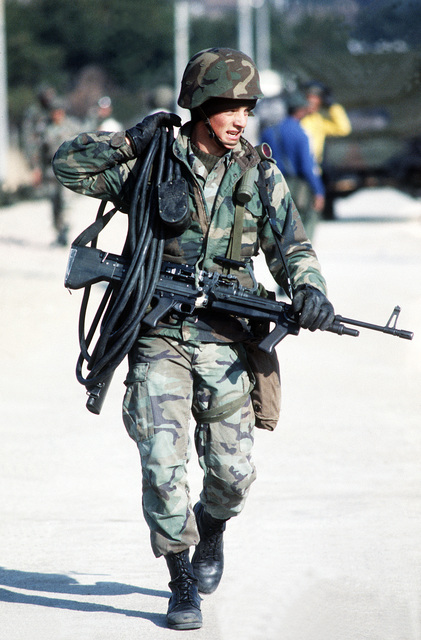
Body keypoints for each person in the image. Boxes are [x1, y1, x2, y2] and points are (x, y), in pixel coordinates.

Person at [52, 48, 335, 630]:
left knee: (231, 478)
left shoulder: (257, 171)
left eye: (247, 108)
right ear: (202, 106)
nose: (240, 119)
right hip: (158, 335)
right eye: (231, 106)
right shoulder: (156, 160)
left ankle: (212, 532)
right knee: (161, 460)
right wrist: (130, 140)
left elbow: (294, 248)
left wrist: (309, 290)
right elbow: (67, 167)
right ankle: (180, 579)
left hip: (228, 339)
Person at [260, 90, 325, 240]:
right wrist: (318, 191)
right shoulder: (300, 133)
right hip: (296, 185)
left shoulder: (269, 131)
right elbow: (307, 167)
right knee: (303, 222)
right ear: (301, 111)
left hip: (272, 183)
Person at [300, 81, 352, 168]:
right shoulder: (295, 119)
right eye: (309, 98)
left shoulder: (319, 121)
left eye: (316, 99)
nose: (311, 102)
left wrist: (332, 106)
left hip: (313, 167)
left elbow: (344, 129)